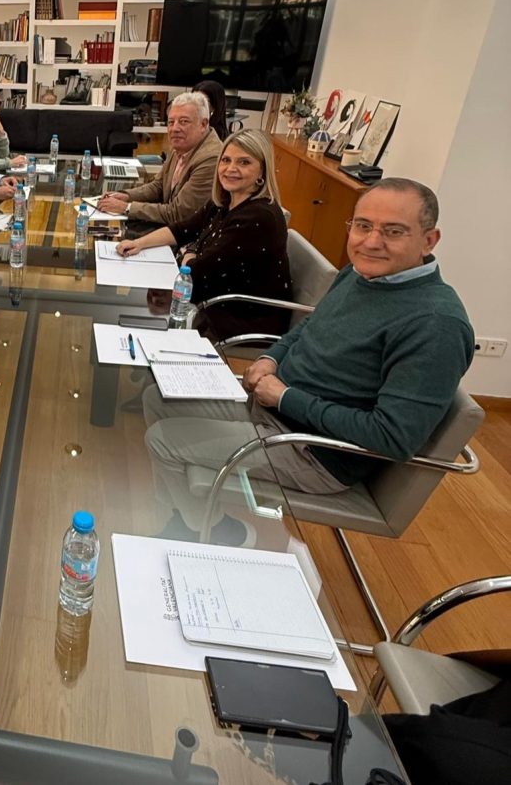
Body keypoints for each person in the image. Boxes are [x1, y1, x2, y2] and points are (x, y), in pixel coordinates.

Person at [142, 178, 474, 545]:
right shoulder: (360, 275)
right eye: (363, 226)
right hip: (273, 409)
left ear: (429, 240)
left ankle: (213, 535)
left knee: (163, 441)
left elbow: (393, 437)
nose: (371, 241)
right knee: (157, 397)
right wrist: (271, 358)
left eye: (393, 231)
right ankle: (189, 515)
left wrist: (286, 398)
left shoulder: (436, 324)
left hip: (315, 452)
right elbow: (310, 326)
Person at [116, 129, 290, 338]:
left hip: (238, 321)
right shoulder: (224, 201)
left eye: (244, 162)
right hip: (208, 304)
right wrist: (140, 243)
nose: (231, 169)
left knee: (135, 328)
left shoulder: (259, 218)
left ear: (262, 171)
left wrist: (190, 254)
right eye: (226, 160)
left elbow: (196, 272)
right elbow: (183, 229)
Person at [97, 91, 222, 225]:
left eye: (184, 122)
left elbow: (178, 214)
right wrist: (127, 196)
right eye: (171, 122)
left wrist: (127, 208)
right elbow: (158, 186)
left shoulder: (211, 159)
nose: (175, 129)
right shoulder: (184, 144)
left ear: (203, 124)